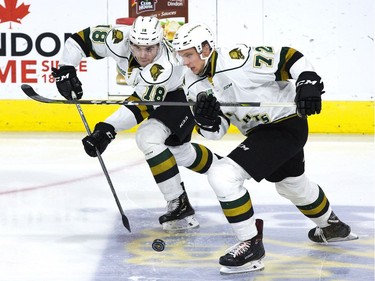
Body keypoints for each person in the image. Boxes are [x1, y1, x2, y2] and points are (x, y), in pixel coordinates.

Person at [172, 23, 358, 274]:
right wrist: (206, 121)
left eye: (188, 54)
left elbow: (289, 57)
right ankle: (332, 227)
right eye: (180, 55)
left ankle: (250, 245)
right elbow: (216, 132)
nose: (184, 61)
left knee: (222, 174)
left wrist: (308, 80)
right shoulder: (192, 83)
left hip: (286, 124)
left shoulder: (238, 58)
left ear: (205, 48)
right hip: (261, 133)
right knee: (292, 185)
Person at [51, 16, 220, 231]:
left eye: (149, 48)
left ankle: (179, 202)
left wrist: (106, 129)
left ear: (159, 43)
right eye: (137, 47)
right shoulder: (117, 38)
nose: (142, 54)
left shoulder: (164, 67)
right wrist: (67, 68)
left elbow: (140, 106)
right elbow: (80, 40)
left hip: (180, 95)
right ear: (130, 40)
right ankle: (224, 167)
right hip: (156, 97)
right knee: (179, 153)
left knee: (148, 137)